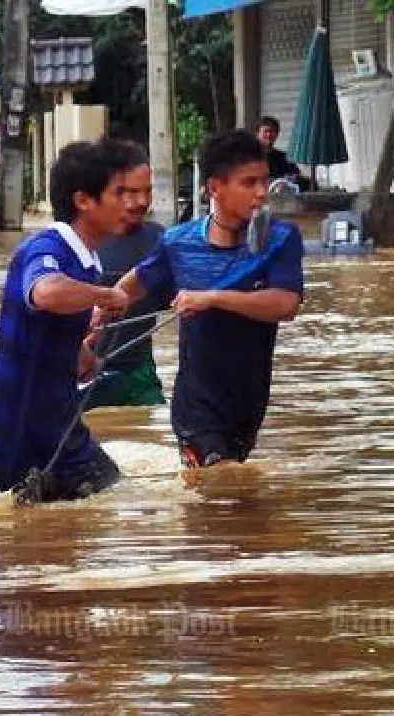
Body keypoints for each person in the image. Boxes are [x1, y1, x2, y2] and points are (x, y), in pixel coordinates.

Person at [0, 139, 144, 511]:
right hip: (15, 429)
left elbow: (55, 332)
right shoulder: (48, 248)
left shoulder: (88, 260)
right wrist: (104, 296)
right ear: (83, 201)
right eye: (120, 193)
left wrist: (83, 353)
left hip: (60, 427)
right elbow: (44, 293)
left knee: (106, 503)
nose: (134, 204)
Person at [109, 129, 304, 471]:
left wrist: (214, 298)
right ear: (215, 188)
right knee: (223, 482)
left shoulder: (281, 239)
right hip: (196, 410)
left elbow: (286, 304)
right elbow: (131, 286)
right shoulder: (177, 243)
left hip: (249, 405)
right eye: (248, 183)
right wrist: (96, 318)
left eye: (264, 181)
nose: (261, 194)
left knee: (228, 507)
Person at [79, 143, 167, 409]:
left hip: (138, 374)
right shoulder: (75, 241)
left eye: (147, 192)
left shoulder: (160, 239)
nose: (141, 202)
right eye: (130, 192)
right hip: (83, 370)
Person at [255, 116, 302, 185]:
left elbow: (295, 176)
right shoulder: (249, 158)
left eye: (272, 131)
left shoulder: (284, 158)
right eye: (266, 131)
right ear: (257, 133)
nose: (269, 135)